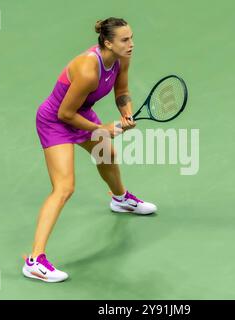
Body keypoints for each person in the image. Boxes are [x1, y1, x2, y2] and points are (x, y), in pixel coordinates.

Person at [22, 17, 157, 283]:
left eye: (131, 38)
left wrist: (126, 112)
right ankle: (35, 261)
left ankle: (120, 200)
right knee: (64, 188)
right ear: (108, 42)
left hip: (79, 114)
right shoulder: (87, 70)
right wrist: (102, 129)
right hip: (55, 122)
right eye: (124, 39)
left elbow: (122, 90)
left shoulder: (121, 59)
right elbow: (65, 113)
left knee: (108, 155)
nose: (131, 44)